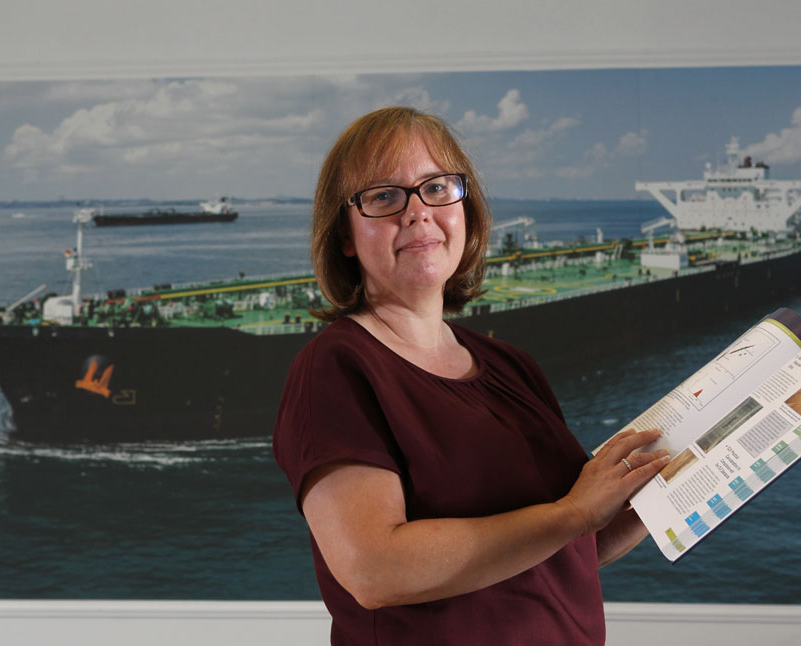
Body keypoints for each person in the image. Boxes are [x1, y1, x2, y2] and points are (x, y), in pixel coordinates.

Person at [273, 106, 669, 645]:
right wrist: (574, 513)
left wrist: (658, 495)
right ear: (345, 235)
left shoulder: (510, 366)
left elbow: (568, 546)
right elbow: (375, 569)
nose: (417, 213)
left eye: (437, 187)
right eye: (384, 196)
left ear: (466, 209)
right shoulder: (337, 367)